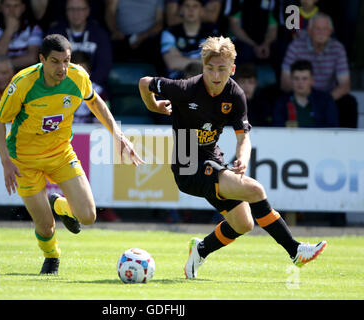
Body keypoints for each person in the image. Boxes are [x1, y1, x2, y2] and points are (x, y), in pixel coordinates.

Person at [138, 36, 327, 279]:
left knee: (243, 224)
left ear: (232, 69)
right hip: (186, 164)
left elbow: (243, 137)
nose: (215, 76)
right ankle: (295, 250)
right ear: (203, 66)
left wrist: (242, 157)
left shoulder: (235, 94)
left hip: (212, 159)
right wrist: (154, 106)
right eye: (210, 68)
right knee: (256, 190)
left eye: (222, 69)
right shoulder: (185, 89)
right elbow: (145, 83)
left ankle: (201, 249)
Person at [0, 34, 143, 274]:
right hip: (24, 160)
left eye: (66, 60)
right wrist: (5, 162)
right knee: (45, 227)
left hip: (60, 153)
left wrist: (118, 134)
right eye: (55, 61)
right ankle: (52, 256)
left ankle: (59, 205)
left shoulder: (77, 76)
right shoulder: (23, 83)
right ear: (41, 59)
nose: (62, 67)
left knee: (89, 216)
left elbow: (96, 103)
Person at [280, 12, 358, 128]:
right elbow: (285, 82)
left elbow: (345, 85)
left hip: (329, 95)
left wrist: (324, 100)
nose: (321, 33)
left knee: (349, 103)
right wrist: (303, 94)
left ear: (331, 31)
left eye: (325, 29)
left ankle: (348, 143)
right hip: (300, 93)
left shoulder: (338, 48)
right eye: (317, 29)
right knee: (279, 101)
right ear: (309, 30)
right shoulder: (296, 46)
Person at [47, 0, 112, 90]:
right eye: (71, 9)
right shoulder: (55, 35)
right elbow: (48, 64)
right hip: (60, 87)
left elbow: (104, 67)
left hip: (92, 87)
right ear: (66, 11)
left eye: (80, 9)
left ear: (88, 11)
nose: (76, 13)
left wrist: (85, 85)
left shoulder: (100, 34)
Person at [160, 0, 219, 79]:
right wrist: (203, 63)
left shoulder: (213, 33)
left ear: (202, 11)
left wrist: (182, 60)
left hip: (204, 80)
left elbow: (215, 63)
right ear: (181, 10)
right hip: (175, 82)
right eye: (187, 6)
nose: (191, 10)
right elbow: (172, 63)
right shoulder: (169, 33)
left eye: (195, 6)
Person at [274, 60, 339, 127]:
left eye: (304, 79)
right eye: (296, 78)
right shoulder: (282, 102)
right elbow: (277, 129)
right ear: (291, 80)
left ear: (312, 80)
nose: (300, 82)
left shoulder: (325, 100)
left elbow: (333, 128)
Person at [0, 0, 43, 72]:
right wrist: (9, 30)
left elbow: (33, 58)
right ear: (1, 7)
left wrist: (4, 66)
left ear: (23, 8)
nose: (12, 10)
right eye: (8, 6)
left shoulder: (33, 28)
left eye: (16, 6)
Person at [104, 0, 164, 72]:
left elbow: (160, 22)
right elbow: (110, 12)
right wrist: (115, 31)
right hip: (121, 37)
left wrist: (143, 36)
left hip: (148, 38)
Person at [228, 0, 278, 65]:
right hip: (242, 42)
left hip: (263, 45)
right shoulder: (240, 2)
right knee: (245, 51)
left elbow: (273, 29)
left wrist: (266, 44)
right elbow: (234, 26)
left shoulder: (271, 3)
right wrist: (254, 45)